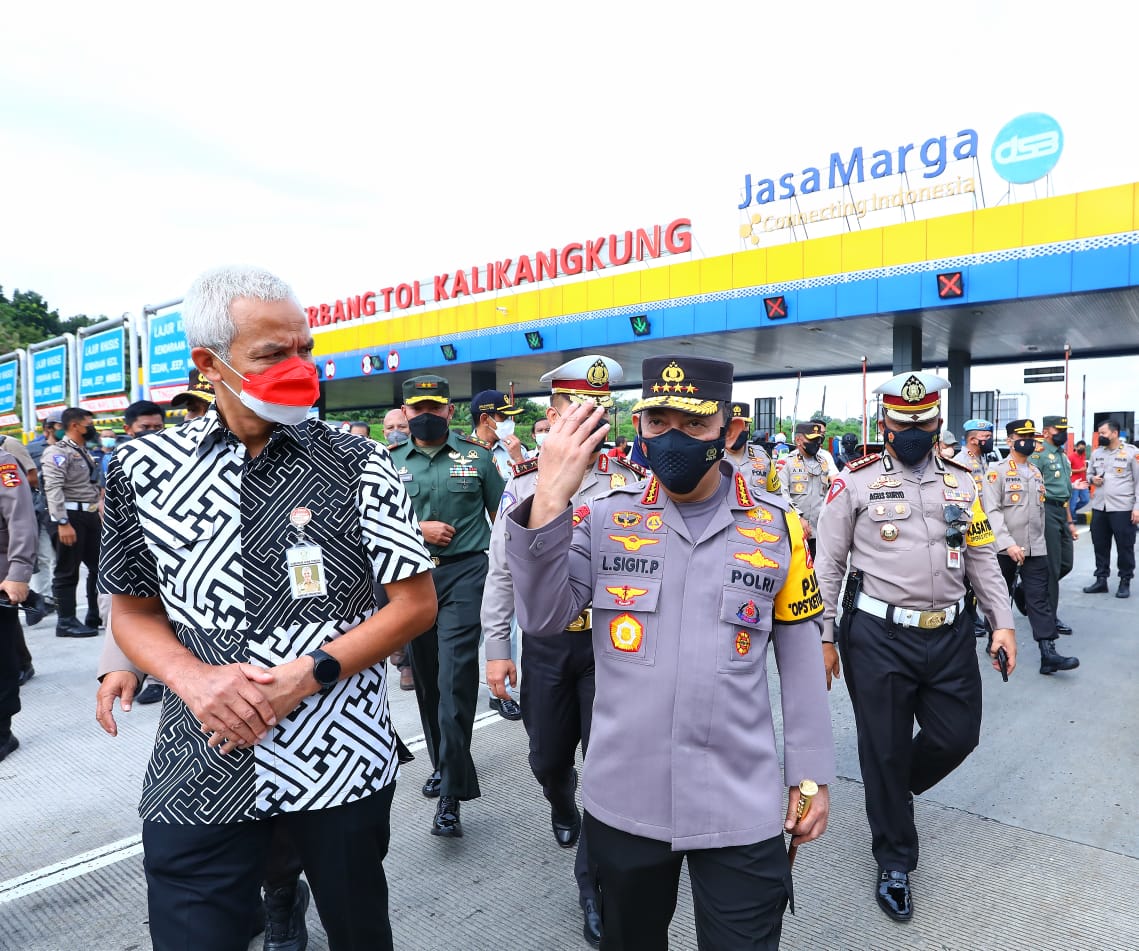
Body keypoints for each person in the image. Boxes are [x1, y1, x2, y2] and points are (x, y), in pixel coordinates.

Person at [98, 264, 437, 951]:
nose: (300, 367)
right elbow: (131, 609)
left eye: (305, 349)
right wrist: (191, 678)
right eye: (273, 354)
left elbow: (414, 604)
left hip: (337, 755)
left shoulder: (359, 463)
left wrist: (302, 676)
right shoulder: (144, 469)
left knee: (358, 930)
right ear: (209, 363)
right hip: (202, 758)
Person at [504, 356, 834, 950]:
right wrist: (550, 496)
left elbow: (802, 657)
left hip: (739, 798)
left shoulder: (777, 526)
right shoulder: (602, 519)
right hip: (626, 796)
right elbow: (544, 615)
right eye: (657, 421)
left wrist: (809, 774)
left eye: (693, 423)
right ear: (638, 426)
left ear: (730, 430)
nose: (672, 437)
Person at [815, 371, 1017, 923]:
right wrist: (825, 638)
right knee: (881, 743)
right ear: (884, 423)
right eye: (901, 423)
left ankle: (891, 787)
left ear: (937, 423)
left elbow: (979, 555)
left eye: (922, 422)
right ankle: (896, 861)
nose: (911, 430)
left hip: (951, 633)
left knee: (958, 735)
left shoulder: (963, 481)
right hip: (877, 636)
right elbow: (827, 565)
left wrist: (1002, 622)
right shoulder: (853, 482)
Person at [484, 355, 639, 948]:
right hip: (548, 646)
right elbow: (502, 573)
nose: (592, 420)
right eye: (579, 408)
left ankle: (592, 886)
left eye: (601, 408)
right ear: (552, 417)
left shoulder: (633, 485)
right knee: (548, 758)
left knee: (608, 767)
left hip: (614, 648)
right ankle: (560, 799)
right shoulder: (525, 485)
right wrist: (498, 648)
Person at [389, 374, 505, 837]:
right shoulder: (388, 461)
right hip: (413, 580)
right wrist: (419, 531)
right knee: (427, 682)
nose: (425, 416)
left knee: (455, 679)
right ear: (406, 412)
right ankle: (441, 762)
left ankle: (452, 795)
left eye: (434, 408)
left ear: (449, 412)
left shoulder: (477, 459)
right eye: (417, 409)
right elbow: (373, 525)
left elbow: (506, 518)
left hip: (464, 574)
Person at [986, 420, 1079, 675]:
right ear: (1009, 441)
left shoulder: (1036, 473)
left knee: (1039, 598)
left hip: (1035, 548)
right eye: (1022, 436)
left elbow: (1038, 512)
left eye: (1031, 436)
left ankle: (1048, 653)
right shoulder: (997, 471)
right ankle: (995, 641)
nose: (1028, 441)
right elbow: (992, 511)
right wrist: (1007, 543)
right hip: (1004, 548)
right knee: (999, 596)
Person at [42, 406, 102, 637]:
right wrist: (62, 521)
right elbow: (53, 487)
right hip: (69, 516)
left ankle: (94, 614)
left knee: (99, 568)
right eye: (88, 423)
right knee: (67, 571)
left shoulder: (83, 450)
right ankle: (65, 622)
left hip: (88, 515)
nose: (92, 427)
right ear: (75, 425)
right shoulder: (58, 451)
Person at [0, 442, 38, 762]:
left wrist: (19, 572)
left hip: (1, 578)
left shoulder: (4, 464)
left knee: (1, 660)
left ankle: (2, 732)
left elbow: (21, 520)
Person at [1030, 416, 1080, 636]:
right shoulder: (1038, 455)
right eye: (1058, 429)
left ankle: (1028, 590)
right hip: (1047, 509)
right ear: (1047, 431)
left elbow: (1066, 490)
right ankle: (1050, 616)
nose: (1062, 433)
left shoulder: (1061, 455)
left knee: (1065, 564)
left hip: (1061, 509)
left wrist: (1070, 522)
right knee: (1051, 566)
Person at [1083, 418, 1139, 598]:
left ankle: (1125, 580)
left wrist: (1137, 508)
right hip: (1099, 507)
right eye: (1100, 433)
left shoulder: (1131, 453)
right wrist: (1093, 480)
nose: (1101, 436)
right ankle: (1101, 580)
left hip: (1122, 508)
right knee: (1100, 545)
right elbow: (1089, 473)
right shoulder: (1097, 453)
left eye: (1103, 433)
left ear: (1115, 433)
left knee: (1125, 546)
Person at [778, 420, 836, 559]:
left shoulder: (823, 463)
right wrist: (798, 517)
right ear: (798, 440)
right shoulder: (786, 462)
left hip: (818, 531)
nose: (817, 443)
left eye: (818, 439)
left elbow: (828, 493)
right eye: (812, 439)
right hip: (793, 529)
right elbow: (781, 494)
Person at [471, 388, 526, 479]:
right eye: (503, 416)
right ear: (485, 419)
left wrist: (519, 459)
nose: (509, 422)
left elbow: (530, 488)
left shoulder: (517, 450)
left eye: (508, 417)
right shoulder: (461, 451)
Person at [1069, 440, 1090, 519]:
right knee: (1073, 502)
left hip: (1083, 482)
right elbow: (1068, 470)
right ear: (1076, 447)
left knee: (1085, 500)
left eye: (1083, 448)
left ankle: (1071, 512)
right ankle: (1072, 517)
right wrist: (1080, 470)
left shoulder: (1083, 456)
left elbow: (1085, 468)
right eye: (1080, 448)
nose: (1082, 449)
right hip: (1074, 483)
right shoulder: (1071, 457)